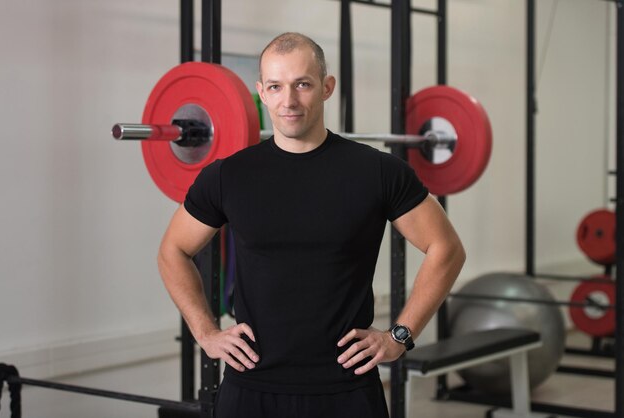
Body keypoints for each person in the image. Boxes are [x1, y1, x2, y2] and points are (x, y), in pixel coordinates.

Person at [157, 32, 465, 418]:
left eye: (302, 84)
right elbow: (173, 250)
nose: (289, 100)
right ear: (262, 92)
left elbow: (446, 248)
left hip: (346, 389)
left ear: (326, 87)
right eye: (276, 86)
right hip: (251, 386)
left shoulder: (379, 172)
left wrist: (400, 336)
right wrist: (205, 332)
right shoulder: (228, 176)